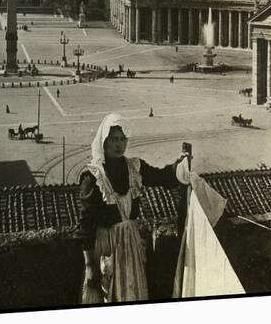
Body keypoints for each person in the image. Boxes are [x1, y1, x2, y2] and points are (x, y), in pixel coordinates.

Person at [77, 113, 189, 303]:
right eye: (113, 139)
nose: (119, 145)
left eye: (122, 139)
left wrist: (179, 164)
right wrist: (90, 265)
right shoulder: (93, 177)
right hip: (106, 246)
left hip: (131, 245)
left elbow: (162, 176)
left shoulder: (135, 168)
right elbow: (86, 225)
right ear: (104, 142)